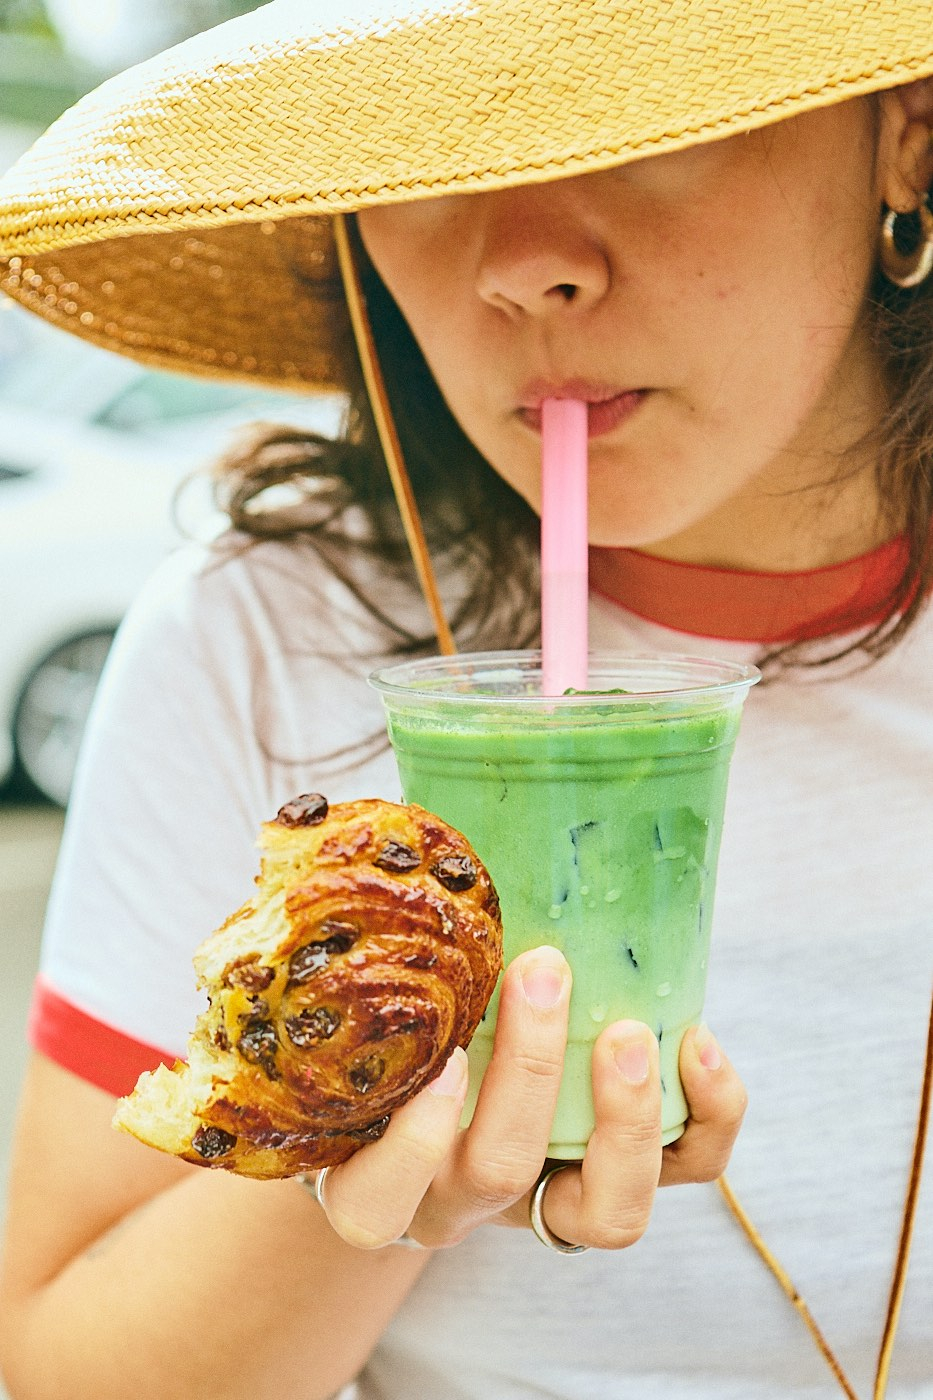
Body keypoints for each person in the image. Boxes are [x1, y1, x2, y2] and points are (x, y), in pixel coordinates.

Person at [0, 2, 931, 1396]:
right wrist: (361, 1151)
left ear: (905, 138)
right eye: (426, 149)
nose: (524, 264)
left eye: (644, 119)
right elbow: (64, 1370)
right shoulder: (266, 640)